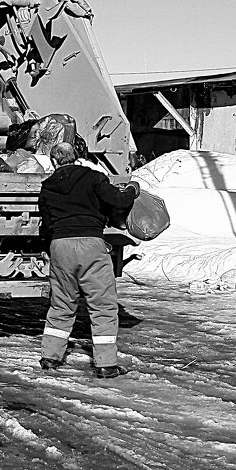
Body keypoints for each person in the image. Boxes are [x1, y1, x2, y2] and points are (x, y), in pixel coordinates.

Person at [37, 141, 139, 379]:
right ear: (77, 157)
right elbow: (119, 200)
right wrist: (132, 189)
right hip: (90, 244)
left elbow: (47, 223)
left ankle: (50, 357)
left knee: (61, 303)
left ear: (53, 161)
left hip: (60, 245)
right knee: (102, 304)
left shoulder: (47, 186)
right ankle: (105, 364)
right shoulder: (93, 177)